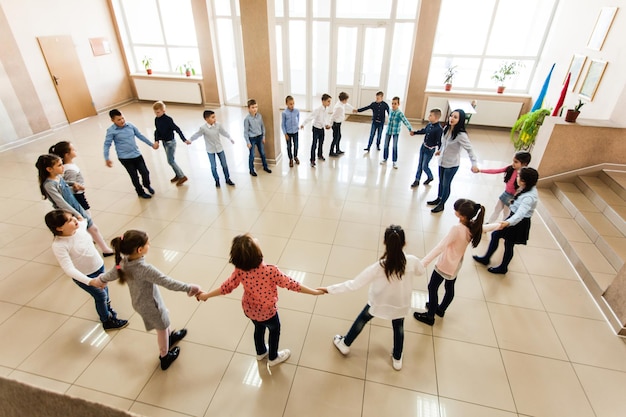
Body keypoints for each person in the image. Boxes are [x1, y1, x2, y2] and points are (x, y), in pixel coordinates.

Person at [196, 233, 324, 368]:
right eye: (254, 241)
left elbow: (225, 288)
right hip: (268, 313)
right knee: (275, 331)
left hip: (249, 310)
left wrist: (206, 296)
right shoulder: (270, 271)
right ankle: (273, 357)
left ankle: (261, 352)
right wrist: (314, 292)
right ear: (257, 252)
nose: (256, 239)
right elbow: (292, 284)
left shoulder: (239, 270)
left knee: (258, 328)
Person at [319, 225, 425, 371]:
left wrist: (329, 289)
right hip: (400, 304)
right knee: (398, 327)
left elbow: (354, 284)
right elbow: (421, 271)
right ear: (404, 243)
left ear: (385, 243)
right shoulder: (412, 261)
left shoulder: (379, 266)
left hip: (378, 303)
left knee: (363, 318)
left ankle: (345, 344)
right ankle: (397, 357)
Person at [99, 230, 201, 370]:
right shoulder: (145, 269)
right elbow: (168, 282)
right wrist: (189, 288)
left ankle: (170, 336)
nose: (150, 244)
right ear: (140, 249)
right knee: (162, 328)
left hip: (140, 302)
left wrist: (100, 280)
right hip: (151, 305)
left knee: (164, 319)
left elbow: (110, 274)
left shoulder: (123, 262)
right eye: (148, 243)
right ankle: (165, 357)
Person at [45, 209, 128, 330]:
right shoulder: (59, 245)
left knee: (105, 291)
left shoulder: (79, 228)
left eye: (72, 217)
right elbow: (68, 269)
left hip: (99, 267)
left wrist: (78, 216)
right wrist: (90, 281)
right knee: (100, 296)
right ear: (59, 228)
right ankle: (106, 321)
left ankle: (108, 308)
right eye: (69, 220)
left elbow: (83, 219)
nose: (73, 220)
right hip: (86, 277)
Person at [414, 199, 493, 326]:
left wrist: (423, 263)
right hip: (456, 265)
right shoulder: (473, 226)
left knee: (432, 287)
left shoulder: (457, 229)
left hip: (445, 264)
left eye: (456, 210)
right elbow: (486, 228)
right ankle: (441, 309)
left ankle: (430, 316)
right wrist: (502, 224)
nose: (454, 211)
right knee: (449, 288)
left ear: (462, 216)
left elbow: (441, 247)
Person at [36, 154, 113, 256]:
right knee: (90, 228)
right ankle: (105, 250)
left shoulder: (57, 176)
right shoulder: (49, 185)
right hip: (68, 213)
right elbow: (61, 202)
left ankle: (103, 248)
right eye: (59, 165)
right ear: (49, 169)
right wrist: (76, 214)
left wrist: (73, 184)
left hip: (74, 206)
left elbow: (65, 184)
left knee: (90, 228)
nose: (63, 167)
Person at [473, 167, 540, 274]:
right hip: (513, 220)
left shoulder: (529, 197)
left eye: (518, 176)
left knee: (508, 244)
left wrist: (508, 222)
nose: (516, 177)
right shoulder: (527, 188)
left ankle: (503, 267)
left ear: (523, 181)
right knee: (497, 236)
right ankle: (487, 259)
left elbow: (520, 214)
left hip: (518, 223)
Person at [427, 109, 480, 213]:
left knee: (446, 184)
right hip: (442, 161)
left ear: (460, 120)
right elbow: (444, 143)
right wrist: (440, 151)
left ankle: (442, 204)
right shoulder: (446, 128)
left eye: (455, 117)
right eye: (451, 116)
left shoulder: (461, 135)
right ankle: (439, 198)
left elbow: (470, 149)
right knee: (441, 183)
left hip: (452, 165)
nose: (452, 118)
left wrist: (474, 164)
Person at [104, 109, 158, 199]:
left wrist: (152, 144)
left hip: (136, 154)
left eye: (123, 118)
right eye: (119, 120)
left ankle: (147, 185)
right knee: (134, 176)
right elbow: (107, 145)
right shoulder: (111, 131)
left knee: (145, 172)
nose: (122, 121)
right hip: (125, 158)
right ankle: (140, 192)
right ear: (112, 120)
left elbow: (140, 136)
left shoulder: (130, 125)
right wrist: (107, 158)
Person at [475, 151, 532, 223]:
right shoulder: (510, 169)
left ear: (524, 164)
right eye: (513, 161)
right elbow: (496, 171)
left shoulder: (524, 175)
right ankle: (488, 224)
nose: (513, 163)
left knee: (506, 213)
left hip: (513, 198)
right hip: (506, 193)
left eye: (516, 162)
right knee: (497, 209)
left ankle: (502, 227)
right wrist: (480, 170)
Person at [189, 110, 236, 188]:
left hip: (219, 148)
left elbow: (224, 132)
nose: (215, 119)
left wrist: (230, 138)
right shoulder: (203, 128)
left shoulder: (218, 125)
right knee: (213, 166)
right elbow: (197, 134)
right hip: (210, 150)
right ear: (206, 119)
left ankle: (227, 179)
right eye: (212, 117)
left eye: (215, 117)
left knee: (224, 164)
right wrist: (190, 140)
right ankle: (216, 180)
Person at [153, 101, 190, 186]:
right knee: (171, 160)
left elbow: (177, 129)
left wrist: (184, 139)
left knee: (170, 161)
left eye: (158, 112)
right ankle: (177, 175)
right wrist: (157, 141)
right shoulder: (156, 119)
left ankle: (182, 176)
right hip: (164, 142)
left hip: (170, 143)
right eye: (155, 112)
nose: (156, 114)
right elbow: (157, 131)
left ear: (163, 111)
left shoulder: (168, 120)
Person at [48, 141, 91, 212]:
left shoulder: (67, 166)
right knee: (85, 212)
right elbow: (68, 187)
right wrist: (76, 187)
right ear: (67, 155)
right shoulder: (70, 170)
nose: (75, 151)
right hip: (77, 196)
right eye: (73, 150)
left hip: (78, 194)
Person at [410, 108, 443, 187]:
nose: (429, 117)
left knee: (425, 165)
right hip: (423, 147)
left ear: (436, 117)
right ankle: (417, 180)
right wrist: (415, 133)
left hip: (430, 150)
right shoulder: (429, 125)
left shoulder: (439, 129)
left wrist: (439, 150)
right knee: (420, 164)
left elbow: (440, 141)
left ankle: (430, 176)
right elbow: (424, 131)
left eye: (430, 115)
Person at [380, 97, 413, 169]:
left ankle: (394, 161)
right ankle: (385, 158)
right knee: (386, 145)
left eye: (395, 104)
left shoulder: (400, 113)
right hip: (388, 131)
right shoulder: (390, 111)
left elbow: (405, 121)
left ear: (398, 104)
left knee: (394, 146)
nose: (393, 105)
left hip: (395, 132)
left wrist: (410, 129)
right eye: (392, 103)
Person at [301, 94, 332, 167]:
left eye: (330, 101)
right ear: (323, 101)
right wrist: (303, 124)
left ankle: (320, 155)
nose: (329, 103)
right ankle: (312, 160)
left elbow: (324, 119)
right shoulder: (318, 110)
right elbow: (310, 117)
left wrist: (326, 125)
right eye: (328, 101)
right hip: (316, 129)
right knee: (314, 144)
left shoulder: (326, 109)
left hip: (321, 129)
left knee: (321, 142)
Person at [244, 99, 272, 176]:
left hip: (259, 137)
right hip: (252, 139)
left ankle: (265, 166)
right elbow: (245, 132)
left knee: (262, 153)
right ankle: (251, 169)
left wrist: (263, 136)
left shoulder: (259, 116)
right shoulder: (247, 119)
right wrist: (248, 142)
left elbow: (262, 127)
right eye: (252, 107)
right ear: (248, 108)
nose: (255, 109)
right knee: (252, 155)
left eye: (256, 107)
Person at [329, 92, 354, 157]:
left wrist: (353, 109)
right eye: (346, 100)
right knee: (335, 138)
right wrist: (330, 124)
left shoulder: (342, 103)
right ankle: (331, 152)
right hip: (335, 124)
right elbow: (333, 116)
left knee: (339, 136)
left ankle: (337, 149)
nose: (347, 101)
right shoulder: (339, 107)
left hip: (338, 124)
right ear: (344, 100)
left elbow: (347, 105)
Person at [281, 95, 300, 167]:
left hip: (295, 132)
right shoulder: (284, 113)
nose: (292, 105)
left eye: (293, 103)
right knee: (289, 146)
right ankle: (290, 159)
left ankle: (295, 156)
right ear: (287, 104)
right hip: (288, 133)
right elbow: (283, 124)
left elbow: (298, 118)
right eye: (290, 104)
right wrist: (285, 134)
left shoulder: (297, 111)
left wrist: (297, 126)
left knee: (296, 145)